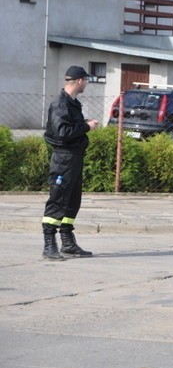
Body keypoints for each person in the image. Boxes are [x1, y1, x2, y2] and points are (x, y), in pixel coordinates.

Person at [41, 65, 99, 261]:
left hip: (74, 159)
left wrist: (83, 125)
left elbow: (70, 128)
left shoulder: (72, 103)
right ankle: (49, 245)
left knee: (73, 201)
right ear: (80, 81)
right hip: (63, 159)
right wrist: (86, 127)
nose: (87, 84)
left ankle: (68, 242)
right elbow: (62, 132)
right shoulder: (60, 104)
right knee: (58, 200)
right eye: (86, 81)